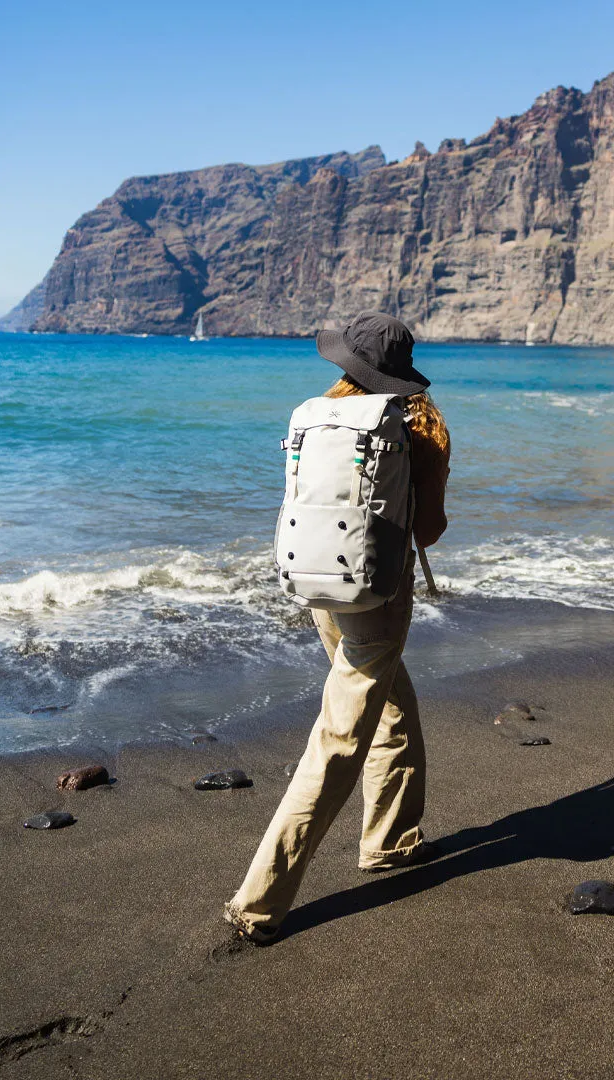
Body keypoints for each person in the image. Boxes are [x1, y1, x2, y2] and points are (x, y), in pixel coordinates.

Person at [224, 312, 451, 944]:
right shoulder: (420, 424)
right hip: (377, 592)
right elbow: (426, 530)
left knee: (393, 710)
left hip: (319, 583)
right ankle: (260, 901)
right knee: (340, 738)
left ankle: (392, 841)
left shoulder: (318, 415)